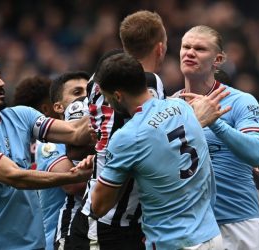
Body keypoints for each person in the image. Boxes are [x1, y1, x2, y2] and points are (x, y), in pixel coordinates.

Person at [0, 48, 94, 249]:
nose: (1, 82)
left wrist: (106, 104)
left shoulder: (21, 115)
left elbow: (75, 131)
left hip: (33, 244)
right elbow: (16, 177)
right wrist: (73, 176)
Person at [79, 53, 224, 249]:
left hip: (172, 241)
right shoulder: (182, 107)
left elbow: (99, 207)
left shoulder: (128, 137)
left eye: (106, 97)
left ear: (118, 95)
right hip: (211, 235)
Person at [69, 10, 167, 250]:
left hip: (106, 211)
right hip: (108, 221)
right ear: (160, 48)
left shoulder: (98, 76)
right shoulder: (149, 83)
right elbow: (153, 135)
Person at [176, 25, 259, 249]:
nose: (190, 52)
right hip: (191, 229)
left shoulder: (240, 101)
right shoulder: (169, 106)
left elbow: (257, 153)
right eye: (185, 47)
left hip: (239, 225)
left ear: (217, 59)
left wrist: (215, 122)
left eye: (199, 49)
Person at [13, 72, 89, 250]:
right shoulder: (49, 144)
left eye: (88, 90)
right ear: (57, 107)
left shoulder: (98, 136)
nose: (85, 97)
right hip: (59, 238)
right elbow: (73, 185)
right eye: (77, 92)